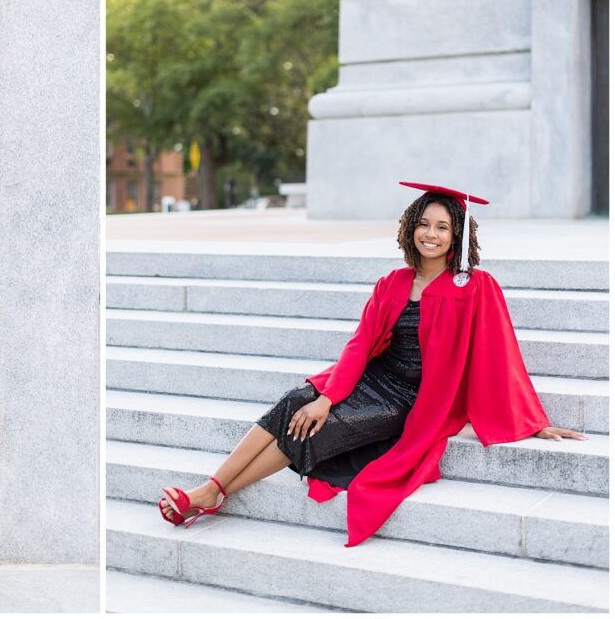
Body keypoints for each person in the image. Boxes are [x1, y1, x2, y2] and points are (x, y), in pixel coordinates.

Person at [158, 182, 586, 546]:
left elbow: (499, 355)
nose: (431, 234)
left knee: (317, 429)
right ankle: (212, 489)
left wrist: (531, 421)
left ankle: (209, 493)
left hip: (413, 400)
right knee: (297, 401)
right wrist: (328, 395)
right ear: (410, 227)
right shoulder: (393, 282)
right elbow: (360, 345)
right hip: (374, 377)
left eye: (442, 227)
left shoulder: (475, 287)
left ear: (457, 235)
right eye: (424, 224)